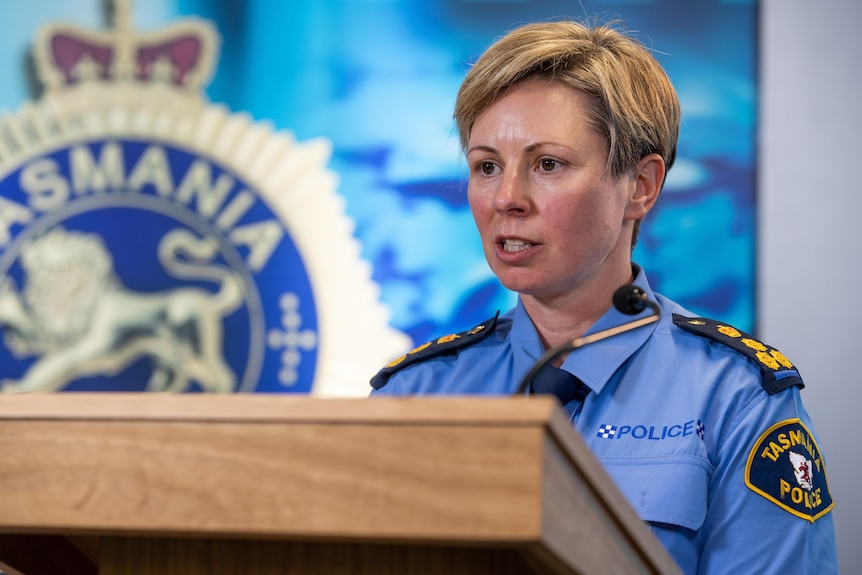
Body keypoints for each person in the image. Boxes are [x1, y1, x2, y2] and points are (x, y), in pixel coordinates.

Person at [368, 19, 837, 574]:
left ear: (641, 186)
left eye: (548, 164)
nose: (507, 198)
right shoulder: (414, 395)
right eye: (486, 166)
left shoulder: (738, 398)